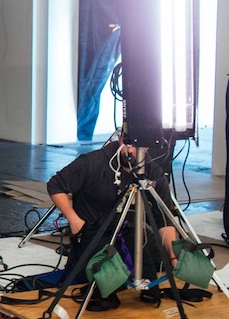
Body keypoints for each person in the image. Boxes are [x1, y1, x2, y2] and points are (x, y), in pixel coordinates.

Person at [46, 130, 178, 308]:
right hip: (93, 232)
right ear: (121, 139)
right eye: (130, 145)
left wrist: (173, 257)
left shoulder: (151, 171)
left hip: (129, 232)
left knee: (151, 290)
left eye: (139, 147)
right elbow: (55, 185)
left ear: (147, 147)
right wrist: (73, 219)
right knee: (105, 290)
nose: (132, 152)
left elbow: (163, 219)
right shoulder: (93, 162)